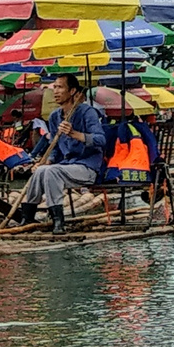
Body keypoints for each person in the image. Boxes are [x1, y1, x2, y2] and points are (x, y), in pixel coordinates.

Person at [11, 74, 109, 234]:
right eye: (54, 87)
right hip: (65, 166)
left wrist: (74, 134)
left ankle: (58, 220)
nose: (55, 91)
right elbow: (55, 148)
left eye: (60, 87)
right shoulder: (55, 116)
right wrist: (46, 161)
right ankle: (28, 215)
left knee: (51, 172)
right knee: (42, 170)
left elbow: (101, 140)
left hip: (87, 167)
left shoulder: (87, 112)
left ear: (72, 91)